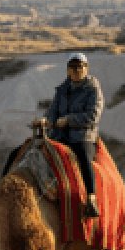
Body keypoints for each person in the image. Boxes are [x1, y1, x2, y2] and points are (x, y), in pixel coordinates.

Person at [46, 51, 104, 219]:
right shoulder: (62, 90)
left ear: (86, 68)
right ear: (67, 70)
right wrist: (46, 121)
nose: (77, 70)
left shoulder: (93, 89)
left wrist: (69, 120)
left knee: (83, 157)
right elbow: (52, 111)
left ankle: (91, 198)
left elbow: (93, 116)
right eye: (73, 67)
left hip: (82, 136)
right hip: (59, 135)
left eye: (80, 66)